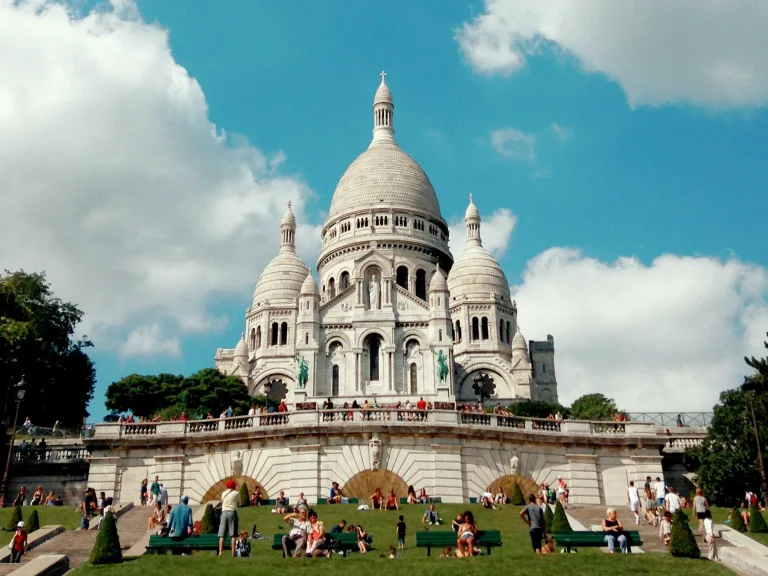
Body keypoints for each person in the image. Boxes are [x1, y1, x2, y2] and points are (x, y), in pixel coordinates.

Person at [218, 479, 240, 557]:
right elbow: (238, 502)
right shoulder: (236, 493)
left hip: (224, 513)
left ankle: (220, 552)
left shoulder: (223, 493)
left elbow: (221, 502)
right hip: (232, 512)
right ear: (234, 486)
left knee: (222, 534)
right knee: (233, 534)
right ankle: (233, 553)